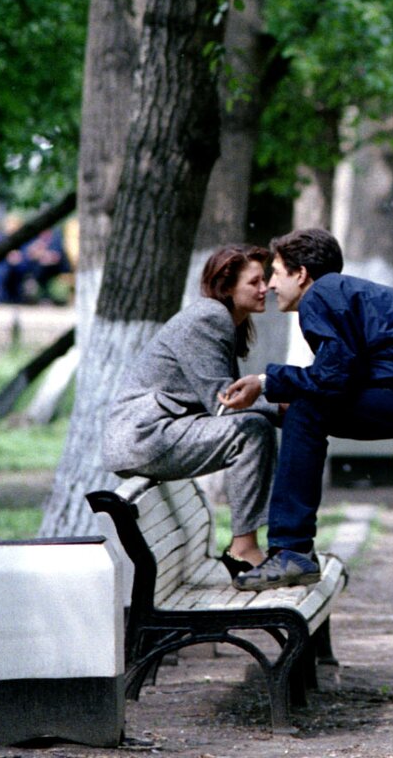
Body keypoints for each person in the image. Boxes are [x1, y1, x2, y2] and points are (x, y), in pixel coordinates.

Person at [219, 227, 393, 703]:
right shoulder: (355, 296)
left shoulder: (322, 294)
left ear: (301, 274)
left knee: (305, 406)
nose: (272, 287)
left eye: (277, 274)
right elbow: (353, 375)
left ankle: (292, 548)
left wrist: (266, 380)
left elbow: (333, 379)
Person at [102, 243, 280, 573]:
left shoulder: (226, 320)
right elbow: (225, 404)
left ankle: (249, 545)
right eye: (254, 282)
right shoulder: (210, 317)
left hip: (156, 432)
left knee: (256, 425)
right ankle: (243, 549)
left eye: (265, 279)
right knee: (253, 431)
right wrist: (286, 409)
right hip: (145, 436)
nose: (265, 287)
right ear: (227, 287)